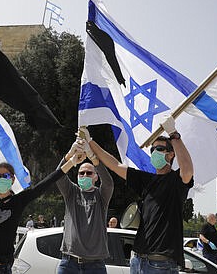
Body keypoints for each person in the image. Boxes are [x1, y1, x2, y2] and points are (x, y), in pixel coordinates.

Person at [0, 123, 83, 274]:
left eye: (5, 176)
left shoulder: (19, 202)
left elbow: (47, 182)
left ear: (12, 179)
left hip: (1, 268)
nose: (1, 179)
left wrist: (71, 162)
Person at [79, 115, 194, 274]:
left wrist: (174, 134)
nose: (155, 153)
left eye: (159, 149)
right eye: (153, 150)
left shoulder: (176, 181)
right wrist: (90, 142)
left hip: (161, 264)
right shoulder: (147, 180)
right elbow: (115, 165)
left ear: (171, 154)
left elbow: (187, 170)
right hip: (138, 261)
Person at [56, 137, 114, 274]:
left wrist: (93, 157)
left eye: (89, 173)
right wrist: (70, 157)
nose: (85, 175)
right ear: (77, 176)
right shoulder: (72, 191)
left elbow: (108, 183)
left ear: (96, 177)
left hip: (95, 265)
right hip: (69, 263)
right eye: (81, 173)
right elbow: (58, 176)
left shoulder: (101, 196)